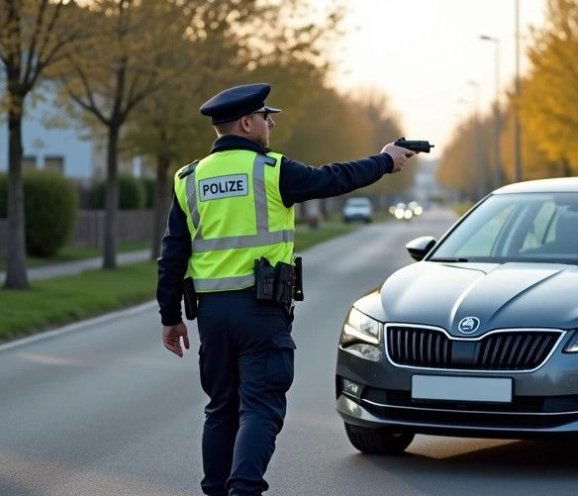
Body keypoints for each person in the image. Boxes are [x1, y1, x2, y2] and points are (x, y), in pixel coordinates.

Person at [156, 83, 414, 496]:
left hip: (212, 314)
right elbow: (334, 179)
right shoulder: (271, 170)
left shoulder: (190, 178)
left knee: (221, 409)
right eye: (265, 116)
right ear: (245, 122)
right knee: (260, 407)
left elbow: (172, 254)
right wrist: (384, 161)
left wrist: (169, 317)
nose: (270, 122)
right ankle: (244, 489)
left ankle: (217, 490)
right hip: (260, 311)